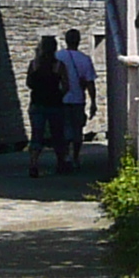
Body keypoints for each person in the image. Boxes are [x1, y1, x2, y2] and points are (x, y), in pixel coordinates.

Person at [59, 29, 98, 176]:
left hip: (61, 99)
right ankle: (75, 157)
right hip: (77, 100)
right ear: (79, 41)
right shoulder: (85, 59)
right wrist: (93, 102)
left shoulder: (58, 56)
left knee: (62, 130)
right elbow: (90, 83)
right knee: (77, 131)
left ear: (66, 40)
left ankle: (63, 157)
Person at [26, 35, 64, 179]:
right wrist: (59, 94)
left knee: (36, 135)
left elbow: (29, 83)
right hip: (55, 103)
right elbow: (66, 85)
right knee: (57, 135)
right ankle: (60, 163)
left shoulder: (34, 64)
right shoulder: (58, 65)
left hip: (37, 103)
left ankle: (34, 164)